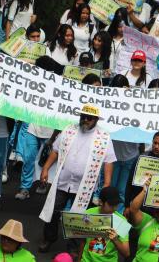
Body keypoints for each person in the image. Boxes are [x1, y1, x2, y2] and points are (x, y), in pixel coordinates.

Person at [38, 104, 116, 253]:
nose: (85, 120)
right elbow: (55, 151)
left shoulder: (104, 137)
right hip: (62, 182)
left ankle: (73, 248)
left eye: (89, 118)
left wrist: (107, 183)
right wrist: (46, 168)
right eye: (83, 116)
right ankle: (48, 239)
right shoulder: (69, 130)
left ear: (96, 119)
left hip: (84, 186)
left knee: (79, 218)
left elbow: (109, 161)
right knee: (53, 211)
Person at [79, 187, 130, 262]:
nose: (115, 208)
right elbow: (82, 241)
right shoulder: (88, 214)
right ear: (100, 202)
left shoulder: (121, 221)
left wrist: (115, 240)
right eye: (111, 204)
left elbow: (126, 253)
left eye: (116, 204)